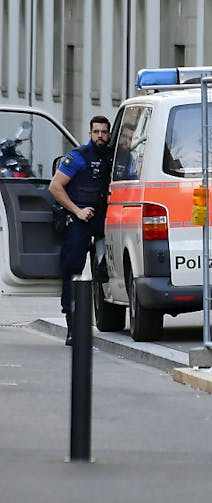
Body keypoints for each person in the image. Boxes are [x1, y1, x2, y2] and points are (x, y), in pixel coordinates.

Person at [49, 115, 113, 345]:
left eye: (104, 132)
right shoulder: (78, 157)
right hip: (80, 221)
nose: (100, 136)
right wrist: (77, 211)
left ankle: (108, 319)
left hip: (104, 222)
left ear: (109, 134)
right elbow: (55, 187)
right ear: (90, 133)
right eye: (96, 132)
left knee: (107, 271)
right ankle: (72, 328)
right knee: (72, 271)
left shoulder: (114, 156)